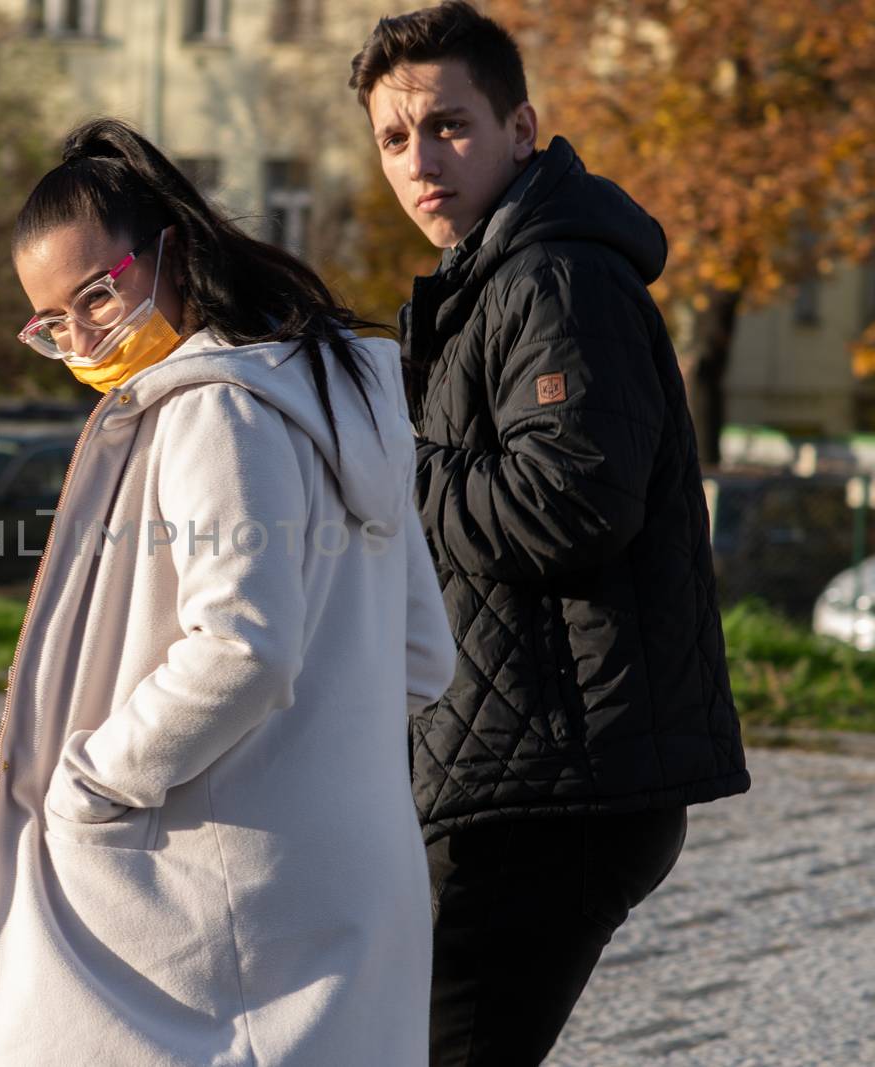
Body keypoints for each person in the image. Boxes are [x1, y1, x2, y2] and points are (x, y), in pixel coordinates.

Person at [0, 117, 455, 1066]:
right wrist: (322, 756)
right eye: (53, 324)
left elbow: (243, 646)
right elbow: (424, 653)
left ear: (172, 250)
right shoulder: (333, 394)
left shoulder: (214, 406)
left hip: (205, 903)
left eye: (97, 295)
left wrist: (94, 784)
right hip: (351, 879)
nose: (83, 337)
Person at [348, 5, 751, 1065]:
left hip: (554, 789)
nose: (420, 158)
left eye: (449, 125)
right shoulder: (484, 283)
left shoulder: (554, 276)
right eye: (395, 139)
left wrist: (387, 463)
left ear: (522, 127)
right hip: (510, 771)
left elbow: (568, 503)